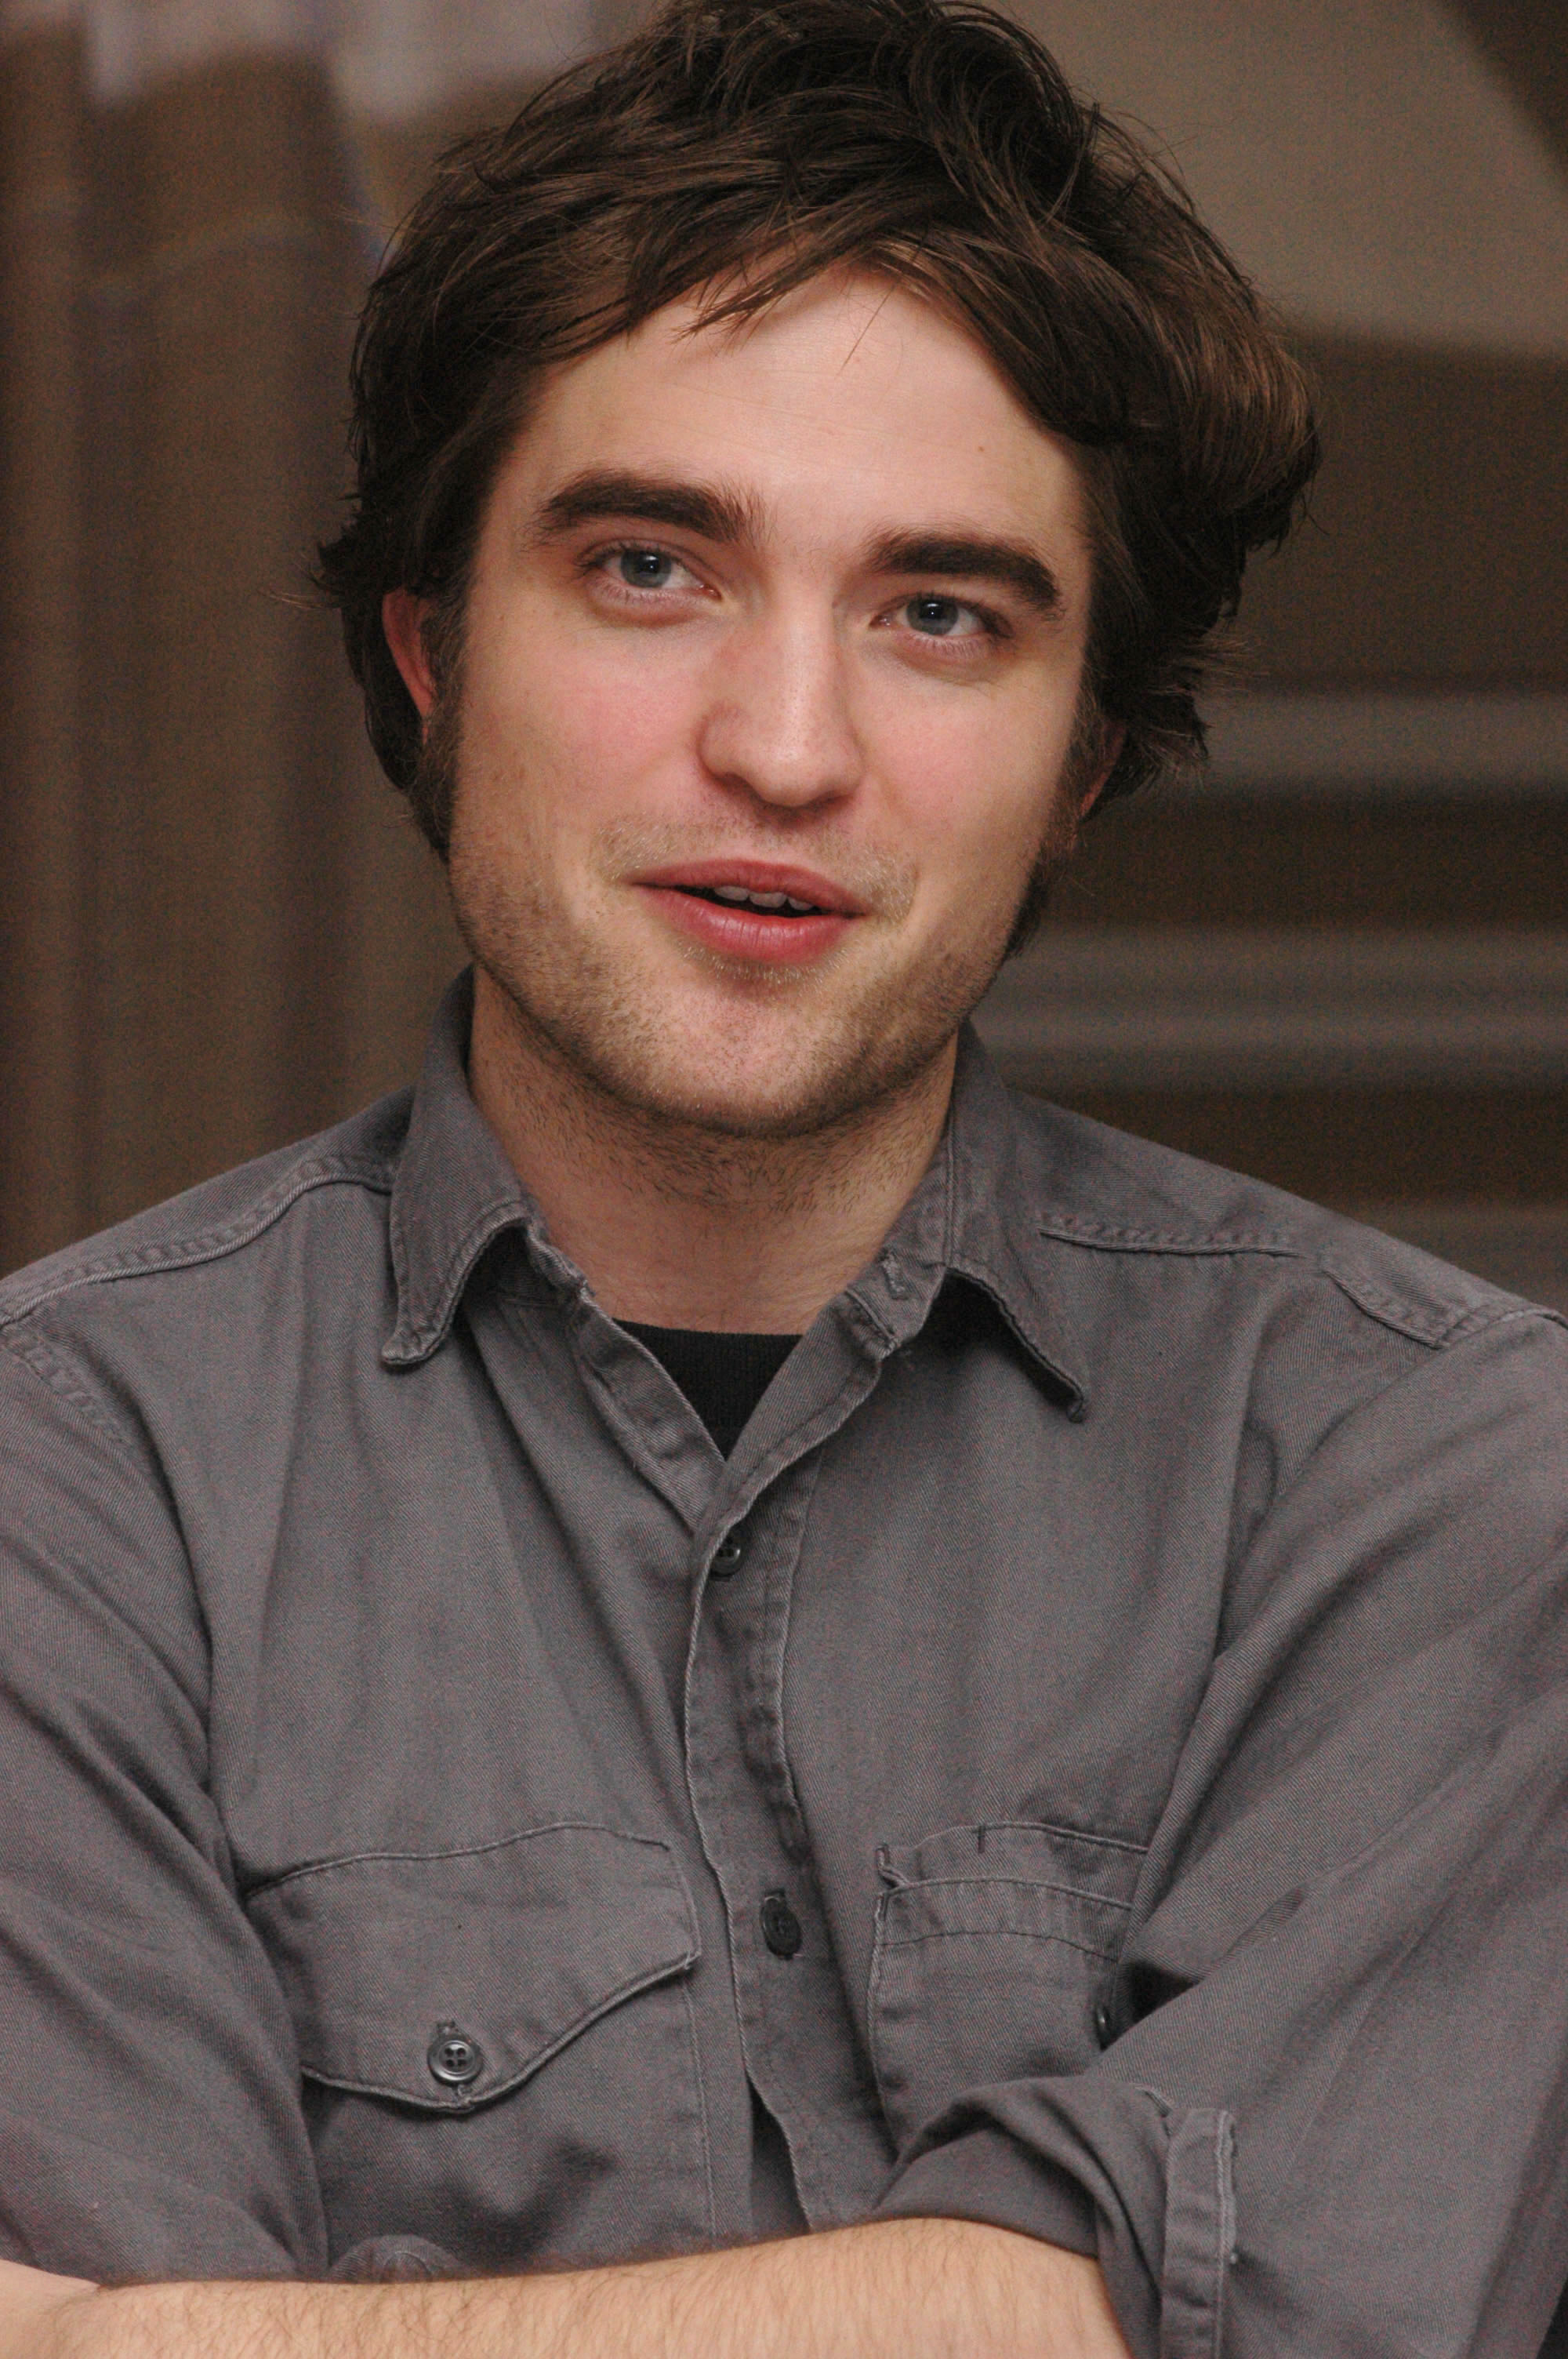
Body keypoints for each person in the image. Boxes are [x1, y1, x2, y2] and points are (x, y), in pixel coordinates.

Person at [2, 2, 1566, 2353]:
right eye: (653, 567)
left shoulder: (1441, 1467)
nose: (787, 745)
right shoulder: (61, 1476)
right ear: (431, 653)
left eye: (941, 615)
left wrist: (130, 2336)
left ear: (1082, 765)